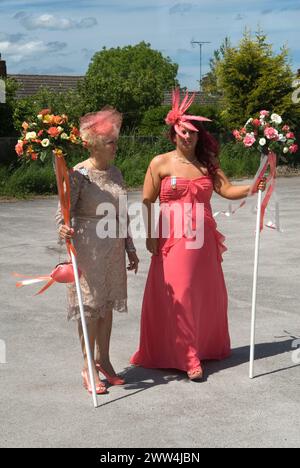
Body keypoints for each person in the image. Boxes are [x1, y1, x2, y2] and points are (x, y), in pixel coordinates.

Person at [130, 89, 266, 380]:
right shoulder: (160, 162)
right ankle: (187, 355)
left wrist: (254, 186)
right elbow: (146, 200)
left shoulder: (207, 163)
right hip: (172, 238)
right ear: (173, 134)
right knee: (180, 292)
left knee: (201, 294)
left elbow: (227, 190)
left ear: (198, 136)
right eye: (182, 133)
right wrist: (149, 235)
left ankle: (198, 348)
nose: (187, 138)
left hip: (202, 238)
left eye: (192, 133)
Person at [56, 107, 139, 394]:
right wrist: (63, 229)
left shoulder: (116, 172)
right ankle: (88, 366)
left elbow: (123, 213)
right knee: (90, 308)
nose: (116, 146)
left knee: (106, 308)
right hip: (88, 250)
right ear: (94, 144)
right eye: (111, 142)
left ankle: (104, 359)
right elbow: (63, 213)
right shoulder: (79, 174)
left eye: (115, 140)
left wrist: (130, 248)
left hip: (113, 249)